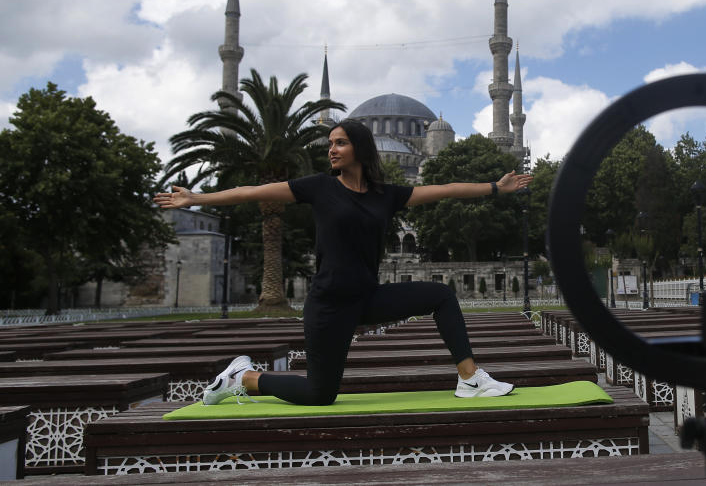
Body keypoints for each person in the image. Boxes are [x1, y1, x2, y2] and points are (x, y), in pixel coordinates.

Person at [154, 119, 533, 406]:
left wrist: (496, 188)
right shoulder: (320, 187)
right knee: (321, 394)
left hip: (367, 298)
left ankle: (469, 378)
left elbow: (444, 190)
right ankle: (244, 377)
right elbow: (252, 191)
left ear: (360, 149)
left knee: (441, 295)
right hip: (329, 305)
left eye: (341, 143)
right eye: (330, 144)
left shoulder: (385, 195)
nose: (332, 149)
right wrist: (197, 199)